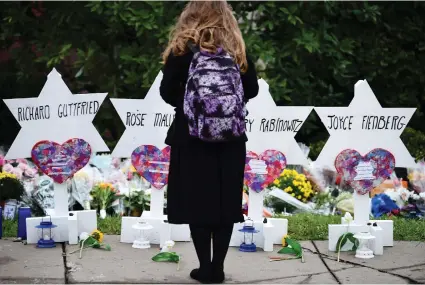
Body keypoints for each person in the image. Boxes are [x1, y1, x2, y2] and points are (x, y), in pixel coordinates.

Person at [160, 1, 259, 283]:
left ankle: (204, 268)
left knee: (198, 201)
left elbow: (166, 91)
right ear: (227, 17)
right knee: (224, 203)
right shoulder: (236, 49)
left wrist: (196, 104)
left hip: (191, 136)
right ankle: (218, 267)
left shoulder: (184, 48)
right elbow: (251, 89)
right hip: (231, 137)